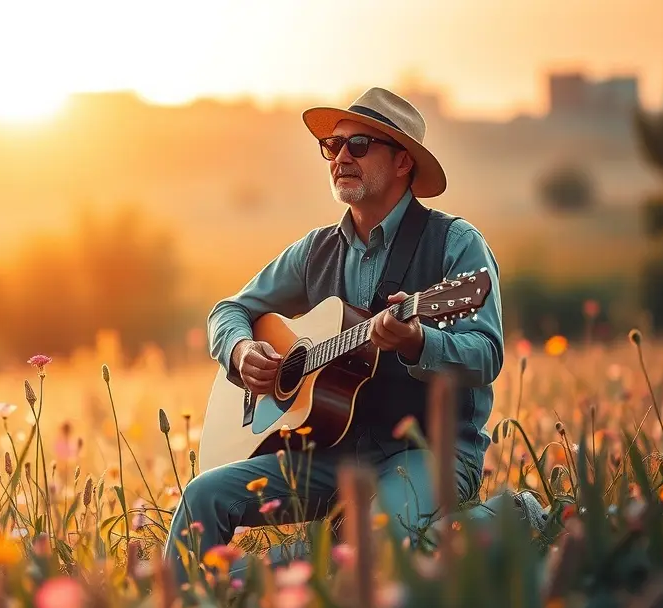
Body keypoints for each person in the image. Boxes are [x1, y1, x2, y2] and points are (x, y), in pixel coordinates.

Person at [163, 87, 518, 583]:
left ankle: (511, 517)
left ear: (402, 162)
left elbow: (486, 354)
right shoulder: (316, 251)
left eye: (358, 145)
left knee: (377, 549)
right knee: (204, 495)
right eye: (333, 147)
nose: (341, 157)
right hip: (331, 456)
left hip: (430, 454)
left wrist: (418, 342)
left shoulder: (455, 244)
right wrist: (241, 350)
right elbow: (230, 310)